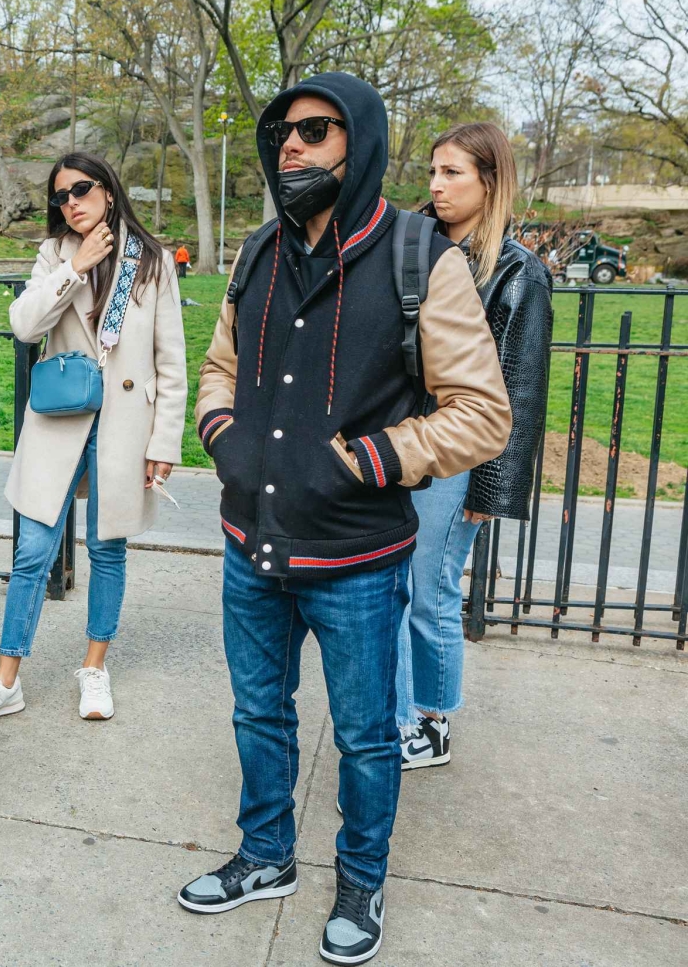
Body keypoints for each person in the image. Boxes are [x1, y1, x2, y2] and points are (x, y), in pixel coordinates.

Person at [184, 74, 511, 965]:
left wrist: (367, 459)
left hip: (358, 557)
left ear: (357, 141)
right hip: (250, 543)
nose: (292, 144)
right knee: (259, 712)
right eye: (282, 132)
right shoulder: (257, 251)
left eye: (316, 129)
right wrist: (223, 436)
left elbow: (483, 413)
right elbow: (218, 367)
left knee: (367, 737)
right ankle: (265, 854)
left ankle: (362, 880)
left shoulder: (420, 257)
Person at [0, 151, 186, 728]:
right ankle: (5, 680)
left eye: (81, 189)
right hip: (60, 421)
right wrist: (75, 267)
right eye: (61, 196)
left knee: (108, 549)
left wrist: (165, 442)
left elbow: (171, 360)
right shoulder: (55, 253)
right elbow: (24, 325)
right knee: (32, 551)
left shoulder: (152, 259)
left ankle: (94, 667)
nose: (72, 202)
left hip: (127, 425)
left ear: (107, 189)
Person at [396, 123, 552, 769]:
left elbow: (520, 388)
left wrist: (490, 488)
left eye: (453, 172)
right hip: (403, 442)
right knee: (398, 584)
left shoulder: (516, 271)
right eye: (434, 171)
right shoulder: (414, 247)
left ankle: (427, 722)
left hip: (459, 454)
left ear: (490, 182)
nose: (437, 184)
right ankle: (406, 714)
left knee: (426, 584)